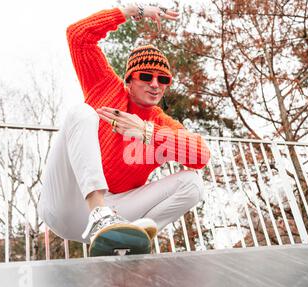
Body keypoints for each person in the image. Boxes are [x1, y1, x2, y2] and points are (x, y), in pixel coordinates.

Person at [38, 4, 211, 254]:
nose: (155, 85)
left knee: (192, 183)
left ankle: (134, 234)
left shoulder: (161, 123)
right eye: (146, 77)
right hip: (65, 202)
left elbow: (201, 156)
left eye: (162, 80)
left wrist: (146, 133)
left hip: (117, 211)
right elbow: (78, 35)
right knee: (81, 112)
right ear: (129, 80)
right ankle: (99, 213)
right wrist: (131, 11)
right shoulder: (105, 86)